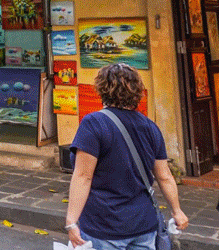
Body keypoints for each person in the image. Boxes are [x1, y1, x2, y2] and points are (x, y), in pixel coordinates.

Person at [66, 63, 189, 250]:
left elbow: (83, 176)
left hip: (104, 225)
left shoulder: (93, 124)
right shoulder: (150, 127)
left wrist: (71, 220)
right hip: (143, 225)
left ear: (102, 88)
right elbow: (164, 176)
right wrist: (177, 211)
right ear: (137, 91)